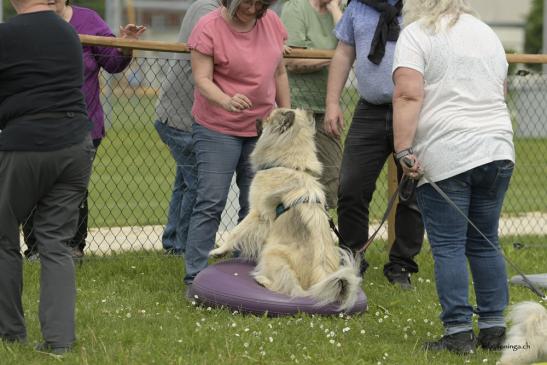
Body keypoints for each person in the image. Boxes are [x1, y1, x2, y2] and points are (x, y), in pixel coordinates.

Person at [392, 0, 515, 354]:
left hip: (448, 151)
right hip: (497, 147)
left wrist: (403, 150)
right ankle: (494, 329)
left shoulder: (416, 34)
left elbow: (407, 93)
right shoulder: (487, 33)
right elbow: (500, 91)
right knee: (486, 240)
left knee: (448, 246)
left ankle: (458, 333)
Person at [0, 0, 93, 353]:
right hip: (74, 146)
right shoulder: (68, 32)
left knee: (3, 236)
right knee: (56, 243)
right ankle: (59, 342)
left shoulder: (7, 34)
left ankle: (9, 333)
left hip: (25, 145)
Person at [22, 0, 146, 260]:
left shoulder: (88, 21)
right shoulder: (28, 23)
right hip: (37, 125)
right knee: (35, 187)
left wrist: (126, 44)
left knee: (73, 189)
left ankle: (73, 248)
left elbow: (113, 63)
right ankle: (35, 249)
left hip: (83, 126)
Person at [184, 0, 290, 285]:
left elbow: (279, 72)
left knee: (256, 204)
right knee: (211, 200)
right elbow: (202, 79)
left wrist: (284, 115)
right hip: (217, 127)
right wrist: (226, 100)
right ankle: (195, 274)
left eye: (259, 2)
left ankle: (247, 270)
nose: (252, 7)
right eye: (245, 2)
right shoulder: (208, 28)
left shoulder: (272, 24)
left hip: (262, 130)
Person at [324, 0, 424, 289]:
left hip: (414, 109)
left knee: (411, 191)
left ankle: (401, 267)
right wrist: (332, 103)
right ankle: (352, 260)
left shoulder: (422, 7)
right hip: (370, 108)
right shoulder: (357, 7)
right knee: (351, 187)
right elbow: (343, 54)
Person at [154, 0, 220, 256]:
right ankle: (184, 245)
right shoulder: (206, 9)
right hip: (180, 117)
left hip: (180, 116)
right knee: (199, 183)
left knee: (185, 182)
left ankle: (174, 241)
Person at [280, 0, 343, 210]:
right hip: (298, 107)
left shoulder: (338, 12)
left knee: (332, 178)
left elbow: (350, 44)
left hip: (328, 109)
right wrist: (339, 57)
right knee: (297, 178)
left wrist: (335, 9)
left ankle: (320, 230)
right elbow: (294, 63)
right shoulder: (295, 8)